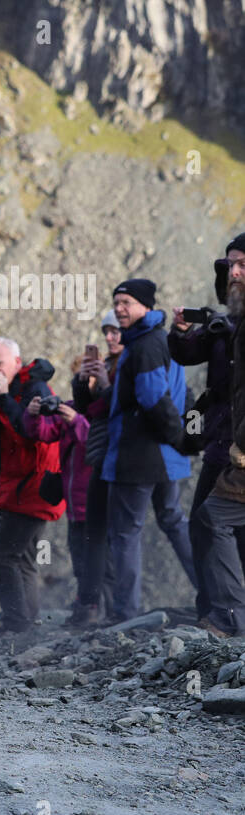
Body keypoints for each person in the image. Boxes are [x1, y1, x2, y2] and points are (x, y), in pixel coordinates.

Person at [98, 279, 196, 623]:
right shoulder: (163, 341)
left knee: (125, 532)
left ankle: (125, 614)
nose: (119, 309)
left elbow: (155, 399)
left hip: (139, 458)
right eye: (116, 303)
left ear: (145, 306)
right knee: (173, 521)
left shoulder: (144, 346)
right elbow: (189, 397)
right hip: (167, 460)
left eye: (126, 302)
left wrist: (183, 439)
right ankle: (213, 594)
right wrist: (189, 439)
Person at [0, 337, 66, 634]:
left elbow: (29, 432)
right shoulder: (6, 391)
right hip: (16, 488)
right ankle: (27, 624)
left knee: (2, 554)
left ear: (17, 362)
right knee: (24, 558)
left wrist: (2, 400)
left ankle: (16, 623)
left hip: (34, 488)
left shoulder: (33, 389)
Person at [176, 233, 245, 621]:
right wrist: (182, 331)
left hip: (238, 449)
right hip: (222, 443)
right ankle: (214, 613)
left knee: (211, 521)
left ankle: (228, 617)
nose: (233, 272)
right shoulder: (228, 323)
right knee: (204, 525)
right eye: (229, 264)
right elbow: (188, 353)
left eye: (242, 265)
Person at [22, 358, 92, 623]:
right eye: (77, 380)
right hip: (73, 504)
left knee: (100, 560)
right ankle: (84, 605)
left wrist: (75, 421)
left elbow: (94, 441)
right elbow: (42, 433)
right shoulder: (70, 410)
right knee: (79, 557)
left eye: (85, 380)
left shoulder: (97, 412)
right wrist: (33, 413)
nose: (80, 386)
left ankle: (102, 608)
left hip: (95, 500)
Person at [71, 313, 124, 622]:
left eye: (115, 331)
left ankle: (119, 609)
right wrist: (83, 383)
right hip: (101, 455)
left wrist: (104, 385)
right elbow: (90, 410)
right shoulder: (111, 366)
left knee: (117, 536)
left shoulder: (131, 363)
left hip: (121, 458)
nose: (109, 337)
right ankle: (93, 606)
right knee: (95, 534)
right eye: (106, 331)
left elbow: (122, 406)